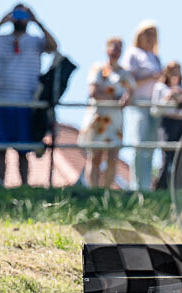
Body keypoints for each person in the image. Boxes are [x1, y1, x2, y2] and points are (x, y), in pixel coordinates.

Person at [0, 4, 57, 186]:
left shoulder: (36, 41)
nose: (20, 19)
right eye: (17, 14)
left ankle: (24, 187)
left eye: (24, 15)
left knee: (24, 150)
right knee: (0, 148)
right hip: (0, 100)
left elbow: (53, 46)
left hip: (26, 102)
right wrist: (0, 23)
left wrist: (38, 22)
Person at [78, 37, 134, 188]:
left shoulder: (125, 73)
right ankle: (93, 190)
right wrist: (115, 98)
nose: (115, 50)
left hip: (115, 120)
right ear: (106, 48)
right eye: (113, 47)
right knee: (95, 157)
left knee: (113, 156)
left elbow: (130, 94)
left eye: (119, 48)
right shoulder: (98, 68)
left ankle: (106, 191)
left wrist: (125, 98)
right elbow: (94, 92)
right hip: (98, 119)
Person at [124, 21, 162, 191]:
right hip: (139, 104)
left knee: (151, 146)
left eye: (153, 34)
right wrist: (151, 77)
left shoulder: (155, 57)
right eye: (147, 33)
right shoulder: (133, 53)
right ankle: (136, 186)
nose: (149, 37)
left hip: (155, 105)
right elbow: (129, 80)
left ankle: (146, 186)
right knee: (139, 145)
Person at [151, 61, 182, 190]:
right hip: (167, 123)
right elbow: (155, 110)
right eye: (172, 70)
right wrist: (168, 97)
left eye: (178, 70)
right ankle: (161, 185)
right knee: (166, 155)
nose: (175, 74)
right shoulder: (160, 87)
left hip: (180, 123)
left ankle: (178, 187)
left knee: (179, 156)